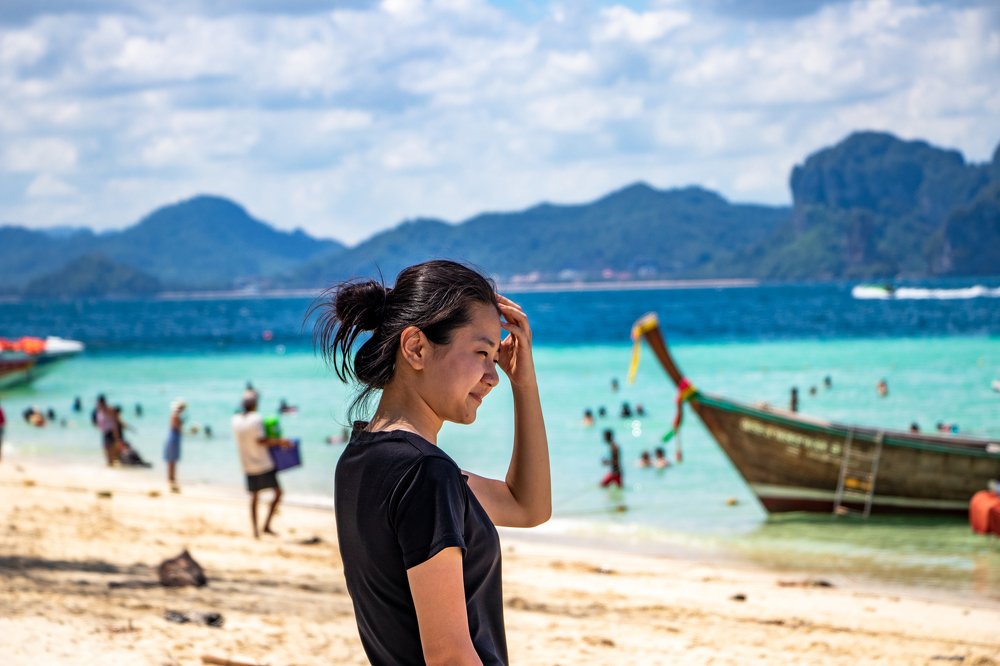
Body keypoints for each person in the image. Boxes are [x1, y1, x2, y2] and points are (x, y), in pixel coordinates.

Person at [314, 260, 550, 665]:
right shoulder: (425, 472)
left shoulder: (362, 456)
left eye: (495, 357)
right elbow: (449, 656)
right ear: (416, 348)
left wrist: (523, 383)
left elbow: (526, 505)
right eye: (481, 352)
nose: (493, 376)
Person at [232, 393, 291, 538]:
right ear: (254, 404)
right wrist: (280, 441)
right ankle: (266, 526)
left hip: (247, 464)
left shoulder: (235, 420)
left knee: (254, 496)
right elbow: (261, 440)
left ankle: (255, 531)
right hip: (264, 463)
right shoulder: (256, 418)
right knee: (278, 493)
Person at [164, 399, 185, 492]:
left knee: (171, 459)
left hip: (173, 436)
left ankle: (171, 478)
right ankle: (171, 478)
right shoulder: (175, 416)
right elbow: (179, 428)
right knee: (173, 459)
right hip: (174, 437)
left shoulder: (174, 415)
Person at [93, 395, 117, 466]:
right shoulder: (99, 411)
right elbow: (98, 423)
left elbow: (114, 422)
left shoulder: (109, 409)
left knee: (110, 452)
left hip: (110, 432)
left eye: (98, 403)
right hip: (105, 433)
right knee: (106, 451)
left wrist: (117, 436)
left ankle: (111, 467)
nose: (97, 404)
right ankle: (110, 467)